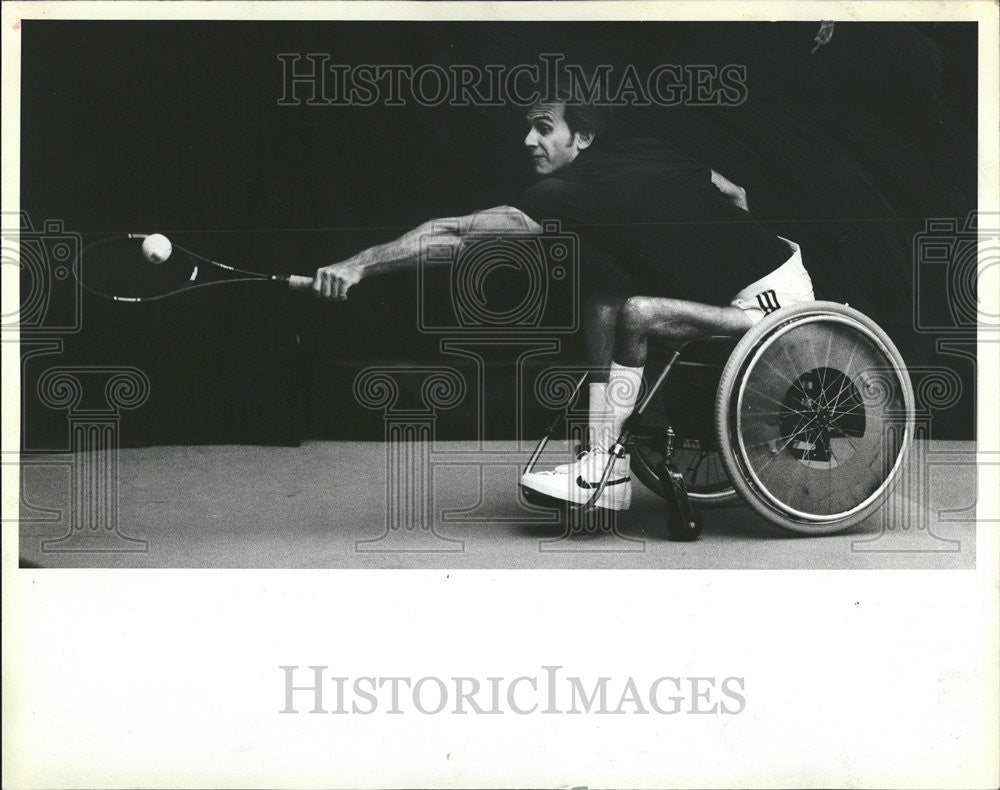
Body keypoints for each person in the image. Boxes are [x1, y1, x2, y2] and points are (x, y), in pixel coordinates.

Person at [312, 93, 814, 511]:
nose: (528, 141)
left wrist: (359, 265)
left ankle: (608, 475)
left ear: (584, 137)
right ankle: (605, 459)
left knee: (637, 311)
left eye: (543, 128)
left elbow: (456, 236)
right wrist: (734, 251)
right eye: (529, 128)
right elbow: (734, 193)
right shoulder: (650, 150)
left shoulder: (560, 193)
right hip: (772, 274)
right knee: (602, 306)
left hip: (770, 305)